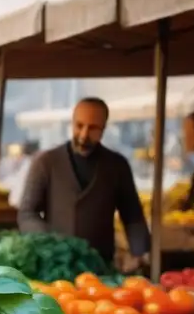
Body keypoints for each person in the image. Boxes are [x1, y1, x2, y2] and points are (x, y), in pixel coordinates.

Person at [18, 97, 150, 268]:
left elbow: (133, 217)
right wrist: (52, 242)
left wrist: (140, 254)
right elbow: (27, 214)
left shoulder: (117, 166)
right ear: (72, 123)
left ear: (103, 129)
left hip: (101, 266)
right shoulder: (45, 162)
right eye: (79, 126)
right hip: (54, 265)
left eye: (93, 128)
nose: (83, 135)